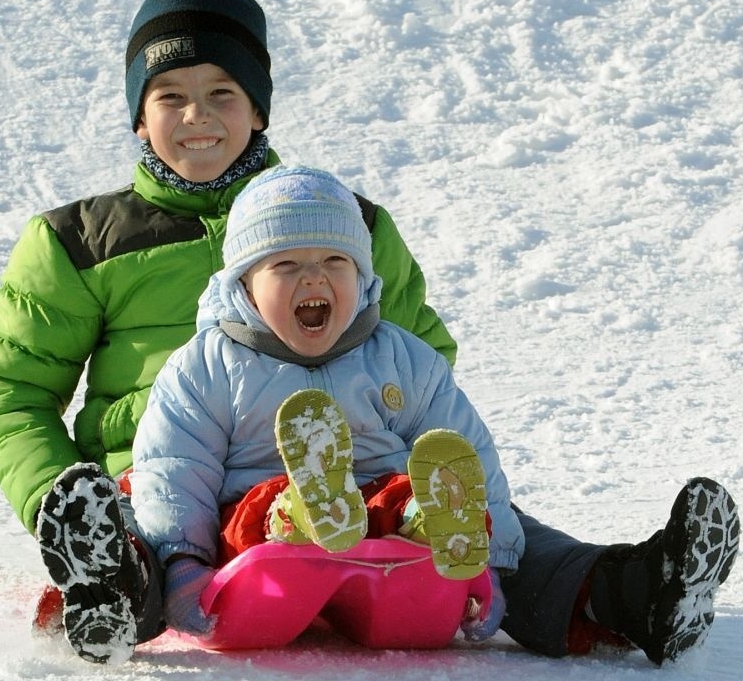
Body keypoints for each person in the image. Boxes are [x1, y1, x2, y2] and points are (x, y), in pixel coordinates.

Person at [0, 0, 739, 667]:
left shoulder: (346, 222)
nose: (196, 115)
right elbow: (13, 393)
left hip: (355, 478)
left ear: (259, 109)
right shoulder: (77, 242)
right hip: (160, 481)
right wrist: (63, 497)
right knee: (147, 535)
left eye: (222, 93)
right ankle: (107, 580)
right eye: (169, 96)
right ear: (138, 116)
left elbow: (416, 357)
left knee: (488, 523)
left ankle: (631, 594)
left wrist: (372, 440)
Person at [126, 165, 522, 648]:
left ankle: (425, 522)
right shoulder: (209, 366)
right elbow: (176, 467)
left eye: (336, 261)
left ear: (362, 276)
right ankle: (299, 513)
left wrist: (491, 564)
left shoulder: (402, 358)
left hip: (384, 539)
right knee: (252, 511)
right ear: (244, 286)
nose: (314, 276)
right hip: (264, 543)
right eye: (286, 265)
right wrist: (183, 561)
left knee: (411, 489)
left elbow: (468, 452)